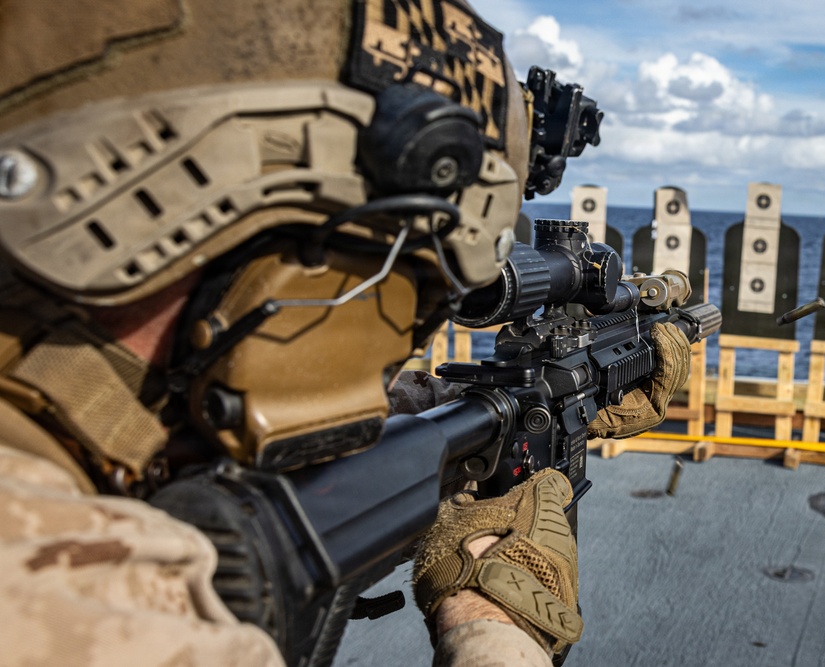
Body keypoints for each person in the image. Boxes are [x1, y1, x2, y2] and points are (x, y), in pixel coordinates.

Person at [0, 1, 691, 665]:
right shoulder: (61, 601)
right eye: (399, 271)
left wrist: (423, 423)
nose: (409, 328)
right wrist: (493, 614)